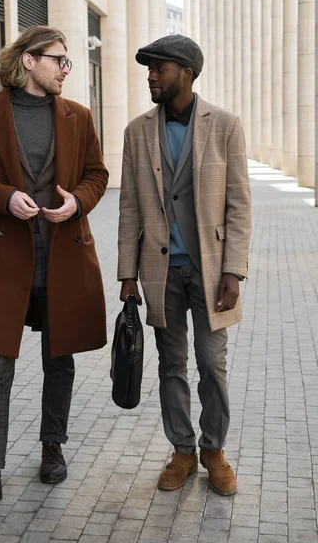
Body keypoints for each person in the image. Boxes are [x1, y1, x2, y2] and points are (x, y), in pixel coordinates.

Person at [0, 26, 108, 510]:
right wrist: (4, 197)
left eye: (67, 62)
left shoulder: (77, 116)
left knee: (59, 358)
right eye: (59, 59)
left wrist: (76, 203)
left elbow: (97, 175)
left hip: (63, 255)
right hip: (3, 259)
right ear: (29, 61)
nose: (65, 69)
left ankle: (52, 446)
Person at [118, 35, 251, 496]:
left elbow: (238, 204)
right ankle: (182, 450)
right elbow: (130, 207)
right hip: (160, 272)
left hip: (212, 271)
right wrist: (127, 275)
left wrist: (234, 269)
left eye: (160, 68)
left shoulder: (226, 126)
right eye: (149, 69)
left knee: (212, 363)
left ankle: (214, 452)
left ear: (187, 73)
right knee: (171, 365)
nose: (151, 76)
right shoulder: (137, 131)